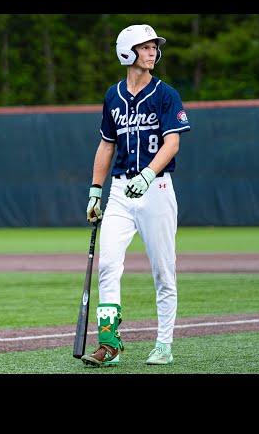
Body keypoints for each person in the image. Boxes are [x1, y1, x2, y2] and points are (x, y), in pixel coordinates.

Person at [81, 24, 191, 367]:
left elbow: (172, 142)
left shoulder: (165, 94)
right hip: (120, 192)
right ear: (127, 52)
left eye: (154, 47)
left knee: (163, 271)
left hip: (155, 190)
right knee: (109, 265)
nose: (153, 53)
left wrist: (148, 174)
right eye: (145, 47)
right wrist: (95, 191)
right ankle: (109, 344)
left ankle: (163, 344)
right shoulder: (112, 95)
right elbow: (106, 144)